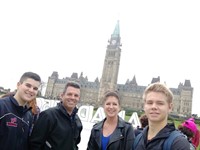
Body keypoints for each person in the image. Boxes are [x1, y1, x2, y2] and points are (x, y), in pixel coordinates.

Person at [133, 82, 190, 150]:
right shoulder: (136, 138)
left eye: (160, 103)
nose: (154, 107)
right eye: (150, 103)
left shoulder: (178, 143)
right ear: (144, 106)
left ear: (170, 107)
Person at [29, 81, 83, 150]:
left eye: (76, 95)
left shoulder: (77, 121)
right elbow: (34, 144)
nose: (72, 98)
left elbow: (75, 145)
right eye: (69, 94)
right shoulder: (48, 115)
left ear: (79, 98)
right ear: (62, 95)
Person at [0, 72, 41, 150]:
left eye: (35, 88)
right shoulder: (2, 106)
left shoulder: (28, 115)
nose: (31, 90)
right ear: (18, 85)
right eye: (28, 85)